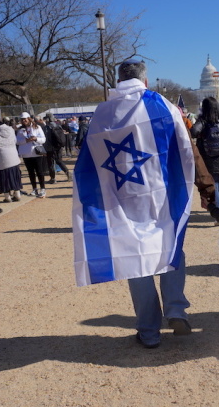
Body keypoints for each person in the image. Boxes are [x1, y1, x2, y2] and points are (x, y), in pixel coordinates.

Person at [73, 59, 195, 349]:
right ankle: (176, 309)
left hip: (119, 195)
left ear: (118, 80)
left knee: (135, 259)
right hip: (160, 191)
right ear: (146, 81)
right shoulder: (163, 105)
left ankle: (149, 331)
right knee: (170, 244)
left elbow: (89, 157)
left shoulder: (103, 111)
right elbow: (184, 148)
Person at [16, 112, 48, 198]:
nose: (24, 121)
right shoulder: (20, 130)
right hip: (26, 154)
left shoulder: (37, 127)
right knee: (31, 173)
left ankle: (42, 189)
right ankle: (34, 189)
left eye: (25, 119)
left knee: (39, 172)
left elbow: (43, 139)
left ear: (29, 119)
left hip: (36, 153)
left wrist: (36, 138)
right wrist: (25, 141)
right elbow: (17, 141)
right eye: (22, 120)